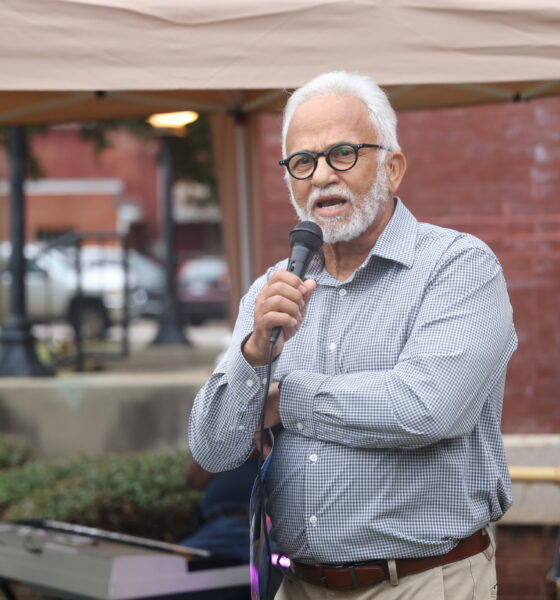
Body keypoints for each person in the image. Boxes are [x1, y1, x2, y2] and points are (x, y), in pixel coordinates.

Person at [188, 71, 517, 599]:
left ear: (393, 166)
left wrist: (285, 400)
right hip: (298, 582)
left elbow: (427, 408)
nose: (320, 176)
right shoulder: (271, 292)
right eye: (302, 162)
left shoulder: (458, 267)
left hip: (424, 581)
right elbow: (213, 450)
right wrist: (253, 355)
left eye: (342, 153)